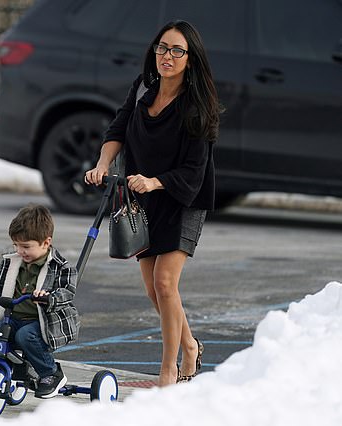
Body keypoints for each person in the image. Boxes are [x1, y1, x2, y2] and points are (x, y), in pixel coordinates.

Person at [85, 20, 220, 387]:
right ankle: (190, 345)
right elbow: (119, 127)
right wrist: (102, 164)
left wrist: (155, 181)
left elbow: (194, 169)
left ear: (190, 59)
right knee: (155, 290)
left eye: (177, 51)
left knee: (164, 282)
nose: (168, 56)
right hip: (141, 198)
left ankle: (168, 371)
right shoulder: (144, 87)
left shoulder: (198, 105)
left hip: (182, 197)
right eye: (163, 48)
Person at [0, 204, 79, 398]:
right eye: (16, 245)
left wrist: (48, 297)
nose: (20, 251)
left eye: (26, 246)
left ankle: (51, 373)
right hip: (14, 318)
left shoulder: (61, 268)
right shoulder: (13, 262)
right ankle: (6, 371)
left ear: (45, 242)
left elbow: (67, 292)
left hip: (43, 323)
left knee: (26, 336)